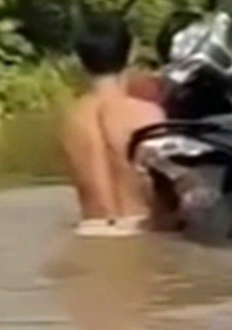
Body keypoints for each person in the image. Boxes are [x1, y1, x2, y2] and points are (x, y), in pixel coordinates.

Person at [60, 15, 165, 236]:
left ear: (80, 60)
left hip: (89, 232)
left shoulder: (69, 121)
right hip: (142, 231)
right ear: (132, 53)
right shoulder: (147, 114)